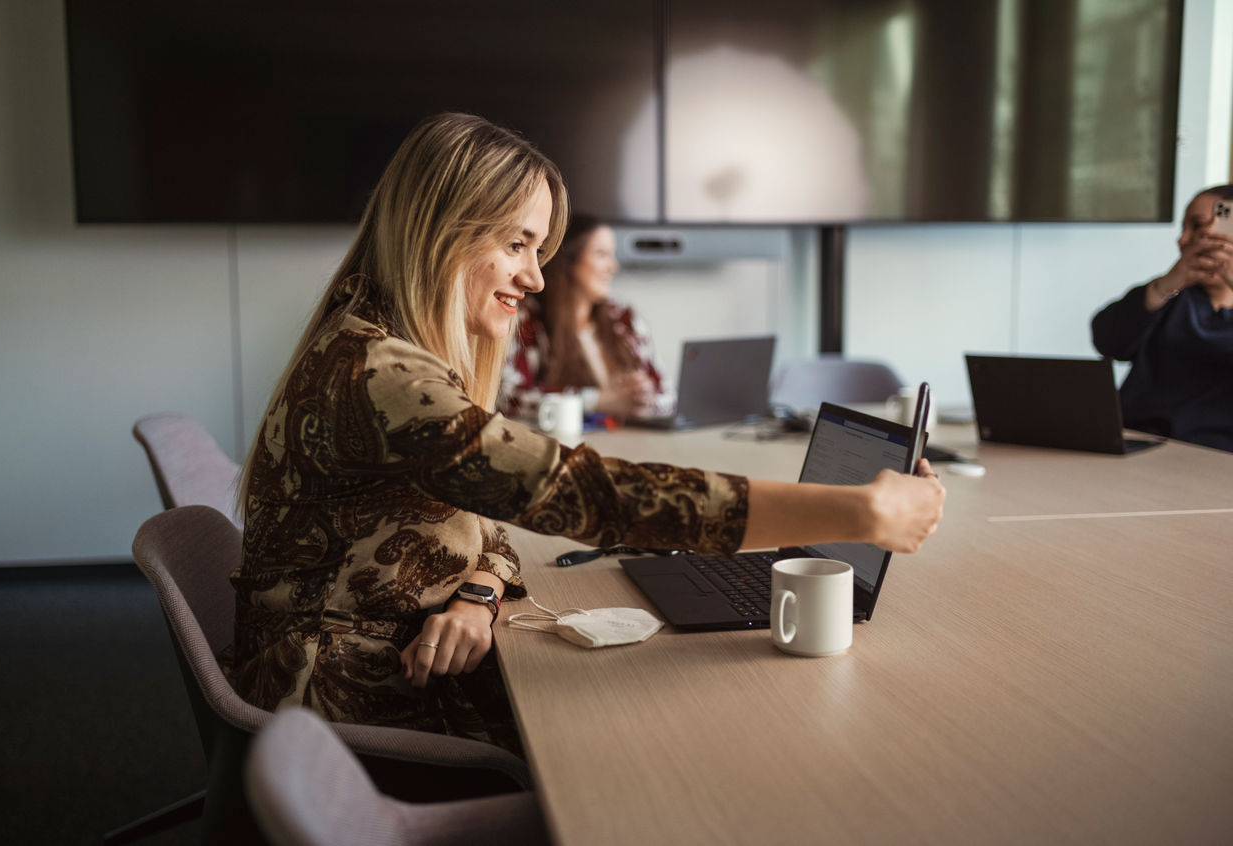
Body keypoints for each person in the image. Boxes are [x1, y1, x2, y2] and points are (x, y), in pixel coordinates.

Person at [231, 112, 945, 756]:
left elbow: (487, 525)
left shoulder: (376, 343)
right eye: (518, 244)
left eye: (540, 249)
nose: (535, 278)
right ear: (442, 231)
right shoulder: (380, 375)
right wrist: (860, 512)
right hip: (344, 722)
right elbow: (583, 495)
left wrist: (479, 595)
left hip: (390, 673)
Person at [1092, 184, 1233, 452]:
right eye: (1183, 228)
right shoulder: (1166, 298)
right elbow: (1108, 342)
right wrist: (1166, 284)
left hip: (1217, 457)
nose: (1183, 240)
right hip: (1139, 444)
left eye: (1198, 227)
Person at [498, 212, 670, 421]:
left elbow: (667, 395)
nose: (613, 267)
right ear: (568, 261)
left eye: (612, 255)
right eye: (601, 254)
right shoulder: (528, 317)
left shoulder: (624, 317)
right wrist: (599, 401)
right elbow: (510, 397)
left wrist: (645, 398)